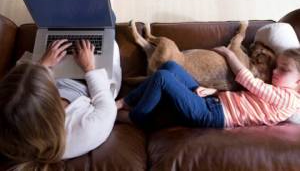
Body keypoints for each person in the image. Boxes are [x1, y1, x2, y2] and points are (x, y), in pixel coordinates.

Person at [0, 0, 121, 171]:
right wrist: (89, 67)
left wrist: (43, 65)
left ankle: (88, 12)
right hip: (89, 86)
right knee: (104, 34)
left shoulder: (10, 124)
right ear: (52, 108)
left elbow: (21, 90)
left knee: (57, 35)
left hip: (58, 75)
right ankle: (105, 9)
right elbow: (106, 102)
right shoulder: (86, 130)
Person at [116, 46, 300, 130]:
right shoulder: (278, 92)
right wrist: (215, 91)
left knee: (163, 78)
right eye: (277, 66)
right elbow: (245, 98)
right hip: (213, 100)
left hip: (213, 115)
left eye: (284, 69)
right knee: (170, 67)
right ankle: (127, 101)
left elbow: (249, 81)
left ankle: (136, 116)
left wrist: (229, 54)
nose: (275, 71)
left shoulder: (290, 99)